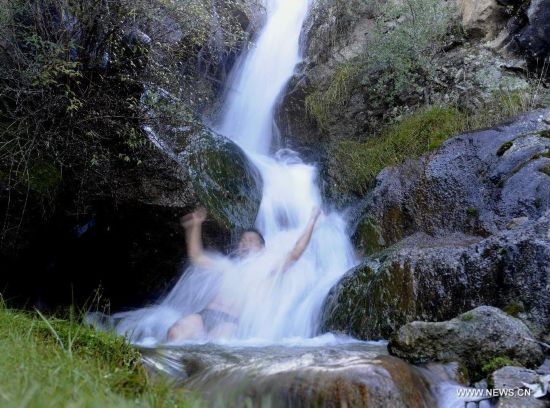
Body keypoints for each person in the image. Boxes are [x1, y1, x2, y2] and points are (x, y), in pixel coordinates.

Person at [166, 207, 322, 342]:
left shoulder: (267, 270)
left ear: (262, 248)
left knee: (213, 348)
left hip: (229, 322)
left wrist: (312, 221)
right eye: (243, 241)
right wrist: (195, 225)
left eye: (251, 240)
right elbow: (197, 257)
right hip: (205, 314)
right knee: (175, 334)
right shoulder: (226, 266)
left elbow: (295, 254)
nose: (245, 243)